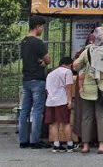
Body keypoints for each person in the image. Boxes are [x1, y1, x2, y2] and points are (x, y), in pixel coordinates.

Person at [73, 27, 103, 154]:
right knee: (102, 117)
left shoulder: (88, 50)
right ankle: (101, 146)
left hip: (88, 88)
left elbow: (76, 65)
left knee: (86, 117)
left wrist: (87, 67)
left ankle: (85, 146)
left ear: (94, 37)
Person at [18, 16, 52, 149]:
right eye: (42, 26)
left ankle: (23, 141)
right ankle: (35, 140)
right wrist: (44, 62)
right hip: (37, 80)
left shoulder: (24, 41)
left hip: (26, 79)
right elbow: (48, 59)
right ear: (37, 26)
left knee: (24, 111)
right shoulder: (38, 42)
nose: (43, 29)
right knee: (37, 111)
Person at [46, 57, 75, 153]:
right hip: (62, 100)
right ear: (69, 64)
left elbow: (47, 90)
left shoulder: (50, 74)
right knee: (66, 123)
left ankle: (56, 145)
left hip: (50, 101)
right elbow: (69, 87)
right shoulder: (67, 72)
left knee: (54, 124)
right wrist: (70, 101)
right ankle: (70, 145)